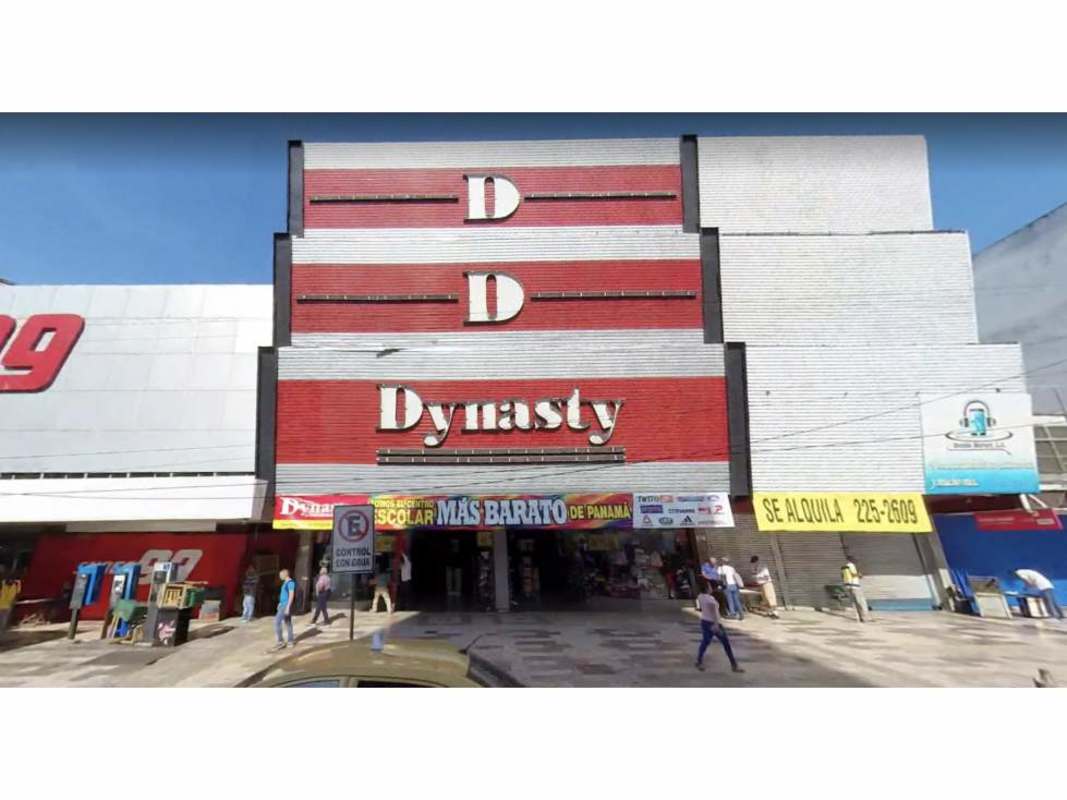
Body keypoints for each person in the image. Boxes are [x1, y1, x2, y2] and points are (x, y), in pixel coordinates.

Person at [695, 580, 743, 673]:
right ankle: (734, 665)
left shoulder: (700, 597)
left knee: (705, 642)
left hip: (704, 621)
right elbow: (715, 614)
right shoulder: (711, 600)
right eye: (709, 586)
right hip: (714, 623)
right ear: (706, 588)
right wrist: (716, 625)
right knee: (726, 644)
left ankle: (699, 661)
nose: (711, 588)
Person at [272, 568, 296, 650]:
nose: (279, 577)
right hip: (283, 604)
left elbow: (291, 595)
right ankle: (290, 641)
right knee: (288, 622)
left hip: (285, 606)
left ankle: (280, 641)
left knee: (277, 622)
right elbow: (284, 595)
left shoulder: (290, 583)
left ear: (284, 575)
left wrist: (288, 607)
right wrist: (280, 603)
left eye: (280, 575)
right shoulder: (285, 583)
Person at [841, 556, 870, 623]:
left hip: (848, 586)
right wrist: (860, 575)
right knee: (861, 602)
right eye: (855, 560)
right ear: (852, 560)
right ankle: (865, 617)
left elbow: (842, 576)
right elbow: (854, 574)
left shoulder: (844, 567)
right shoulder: (851, 565)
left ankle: (858, 617)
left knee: (854, 602)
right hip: (855, 586)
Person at [0, 568, 22, 641]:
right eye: (9, 579)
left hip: (7, 607)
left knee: (3, 624)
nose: (11, 581)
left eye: (12, 579)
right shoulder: (2, 584)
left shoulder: (15, 585)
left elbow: (17, 594)